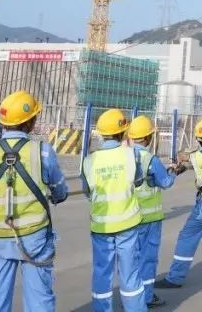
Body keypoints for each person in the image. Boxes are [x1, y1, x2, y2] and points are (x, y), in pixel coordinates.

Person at [0, 90, 69, 312]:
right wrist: (56, 196)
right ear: (30, 122)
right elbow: (60, 190)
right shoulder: (42, 151)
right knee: (39, 298)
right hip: (35, 237)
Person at [154, 119, 202, 289]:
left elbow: (183, 156)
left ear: (198, 138)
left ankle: (175, 278)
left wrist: (178, 161)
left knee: (187, 237)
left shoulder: (195, 157)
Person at [82, 109, 147, 312]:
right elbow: (138, 181)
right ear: (123, 132)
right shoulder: (131, 154)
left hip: (101, 226)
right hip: (128, 224)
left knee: (102, 273)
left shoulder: (89, 161)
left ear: (101, 133)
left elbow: (87, 191)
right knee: (130, 273)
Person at [127, 115, 184, 308]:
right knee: (148, 259)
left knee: (130, 260)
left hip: (128, 217)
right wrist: (174, 172)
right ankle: (147, 297)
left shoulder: (124, 156)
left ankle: (130, 297)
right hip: (149, 218)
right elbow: (165, 182)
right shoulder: (151, 159)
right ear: (148, 137)